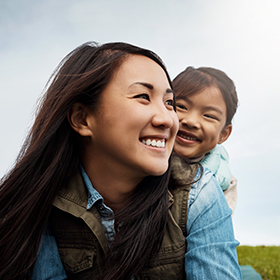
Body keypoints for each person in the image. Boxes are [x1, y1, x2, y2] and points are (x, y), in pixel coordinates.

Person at [0, 42, 241, 280]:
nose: (169, 120)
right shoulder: (40, 201)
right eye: (143, 96)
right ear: (82, 119)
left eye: (168, 102)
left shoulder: (200, 192)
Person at [172, 66, 238, 214]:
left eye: (209, 116)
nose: (191, 121)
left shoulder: (222, 183)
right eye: (181, 106)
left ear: (224, 134)